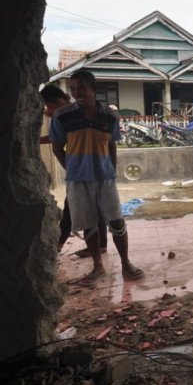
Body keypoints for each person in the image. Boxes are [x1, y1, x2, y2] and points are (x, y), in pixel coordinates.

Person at [49, 70, 144, 286]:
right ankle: (97, 267)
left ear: (93, 88)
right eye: (72, 89)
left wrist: (111, 169)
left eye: (81, 87)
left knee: (117, 220)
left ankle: (126, 264)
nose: (76, 92)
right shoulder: (62, 115)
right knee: (88, 223)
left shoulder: (110, 116)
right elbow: (57, 147)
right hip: (77, 180)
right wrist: (71, 168)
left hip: (105, 178)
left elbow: (111, 145)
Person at [39, 84, 108, 255]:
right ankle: (100, 246)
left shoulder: (62, 115)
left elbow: (56, 145)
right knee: (95, 208)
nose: (49, 110)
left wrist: (70, 168)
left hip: (82, 169)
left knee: (72, 207)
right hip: (96, 166)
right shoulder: (79, 110)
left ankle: (59, 245)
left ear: (55, 101)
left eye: (49, 105)